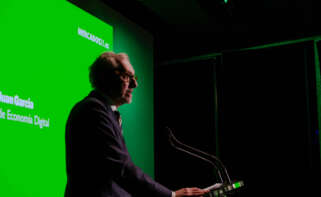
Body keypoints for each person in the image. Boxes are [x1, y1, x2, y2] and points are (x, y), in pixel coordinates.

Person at [64, 52, 208, 197]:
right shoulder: (93, 110)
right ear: (107, 77)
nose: (135, 84)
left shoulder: (107, 112)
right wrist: (172, 195)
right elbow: (122, 169)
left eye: (135, 78)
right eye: (127, 77)